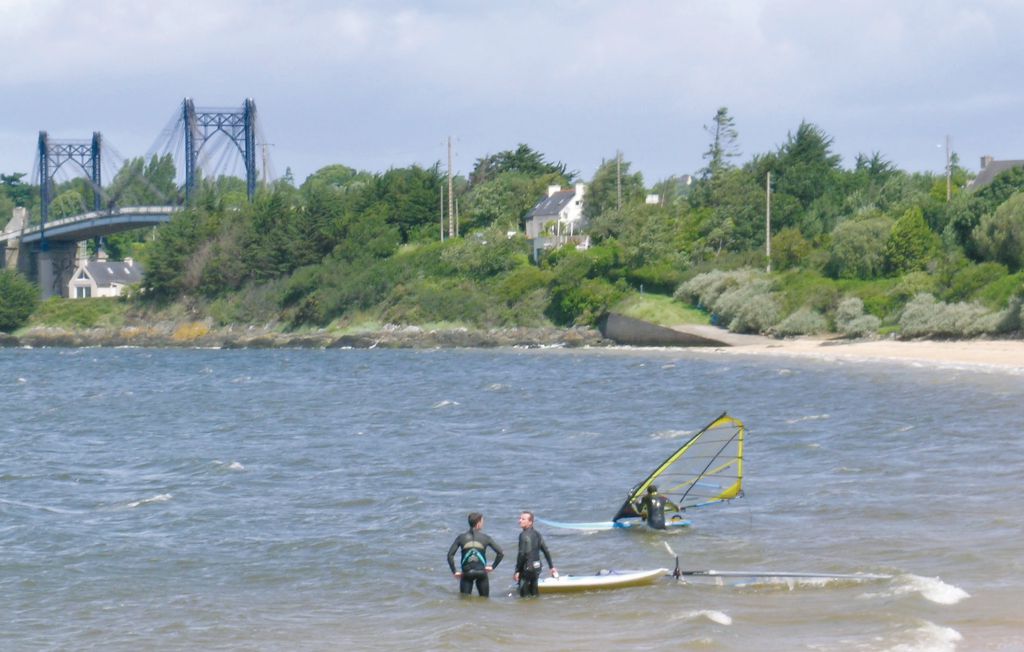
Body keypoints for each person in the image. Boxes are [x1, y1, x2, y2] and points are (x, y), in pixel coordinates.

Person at [447, 512, 503, 597]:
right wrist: (493, 566)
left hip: (467, 573)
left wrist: (454, 571)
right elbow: (500, 553)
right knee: (484, 600)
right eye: (482, 522)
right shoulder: (486, 538)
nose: (483, 524)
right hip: (481, 572)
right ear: (478, 523)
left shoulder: (461, 537)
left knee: (465, 600)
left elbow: (450, 555)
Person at [513, 511, 557, 597]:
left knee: (524, 597)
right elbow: (546, 550)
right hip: (537, 567)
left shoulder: (523, 535)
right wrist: (551, 567)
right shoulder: (537, 534)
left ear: (530, 522)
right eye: (520, 518)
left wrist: (517, 571)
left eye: (523, 519)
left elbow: (522, 554)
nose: (520, 521)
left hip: (526, 569)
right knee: (534, 593)